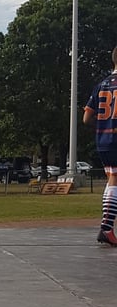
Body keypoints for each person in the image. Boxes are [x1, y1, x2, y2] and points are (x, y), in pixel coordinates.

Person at [84, 45, 117, 247]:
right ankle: (106, 228)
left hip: (103, 139)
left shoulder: (101, 84)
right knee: (114, 178)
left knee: (112, 178)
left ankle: (107, 227)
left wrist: (104, 125)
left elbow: (86, 117)